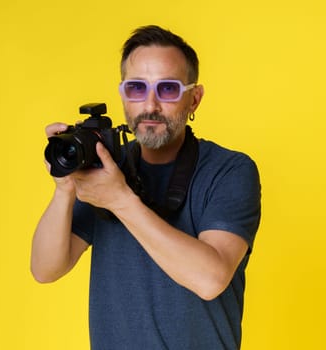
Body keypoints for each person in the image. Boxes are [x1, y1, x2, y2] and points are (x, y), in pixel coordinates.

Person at [31, 25, 261, 350]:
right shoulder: (107, 167)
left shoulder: (229, 170)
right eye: (136, 88)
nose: (150, 104)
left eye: (167, 89)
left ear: (194, 99)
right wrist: (65, 188)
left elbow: (211, 280)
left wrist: (120, 199)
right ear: (123, 94)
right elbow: (45, 269)